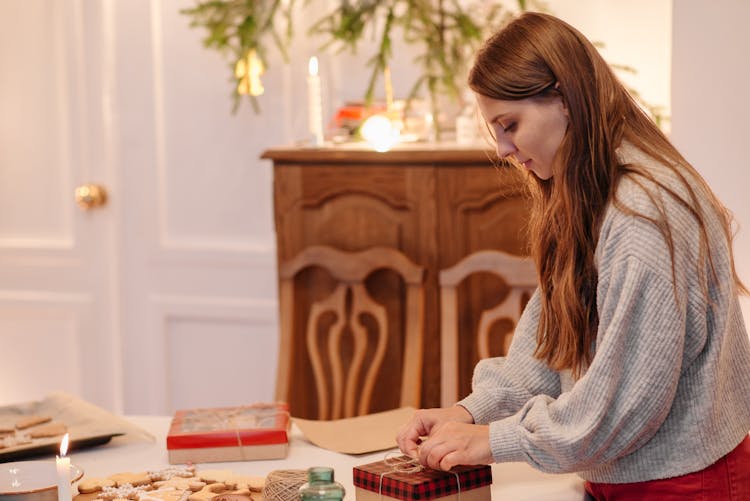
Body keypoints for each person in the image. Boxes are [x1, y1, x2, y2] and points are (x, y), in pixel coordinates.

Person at [396, 11, 750, 500]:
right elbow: (549, 348)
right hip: (620, 476)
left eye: (509, 124)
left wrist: (492, 440)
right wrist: (470, 412)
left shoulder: (642, 214)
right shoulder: (588, 194)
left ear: (563, 98)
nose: (502, 149)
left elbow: (620, 406)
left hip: (685, 484)